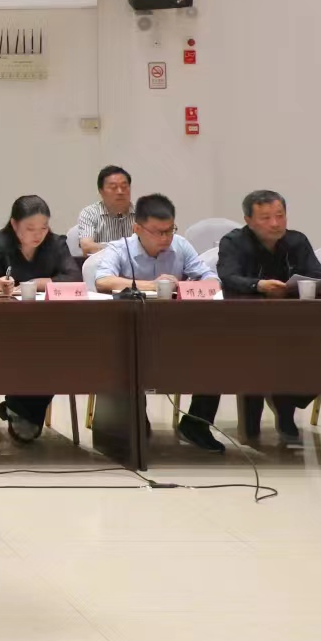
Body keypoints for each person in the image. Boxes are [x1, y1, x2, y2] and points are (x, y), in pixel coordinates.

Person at [186, 190, 321, 450]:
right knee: (232, 357)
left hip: (291, 326)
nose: (275, 223)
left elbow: (319, 276)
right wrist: (258, 285)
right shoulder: (234, 242)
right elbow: (229, 277)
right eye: (266, 218)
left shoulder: (297, 241)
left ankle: (284, 402)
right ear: (248, 220)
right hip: (241, 325)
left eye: (280, 216)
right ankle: (272, 411)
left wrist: (303, 286)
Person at [92, 193, 223, 452]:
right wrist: (152, 285)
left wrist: (185, 287)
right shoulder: (120, 249)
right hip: (131, 334)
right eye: (158, 232)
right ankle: (135, 420)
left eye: (170, 230)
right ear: (137, 228)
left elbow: (212, 280)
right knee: (127, 357)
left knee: (215, 353)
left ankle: (196, 424)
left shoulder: (181, 246)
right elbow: (103, 281)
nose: (166, 238)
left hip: (176, 331)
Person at [0, 195, 80, 442]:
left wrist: (39, 283)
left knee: (60, 351)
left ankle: (18, 407)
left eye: (44, 227)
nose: (38, 234)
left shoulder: (55, 244)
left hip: (50, 324)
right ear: (14, 224)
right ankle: (20, 409)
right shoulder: (0, 244)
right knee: (40, 350)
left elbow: (73, 277)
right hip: (8, 326)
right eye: (30, 228)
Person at [72, 166, 134, 256]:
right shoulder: (90, 213)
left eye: (124, 187)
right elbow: (87, 246)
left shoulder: (141, 213)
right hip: (101, 263)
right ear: (101, 191)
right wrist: (121, 251)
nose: (120, 192)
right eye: (113, 187)